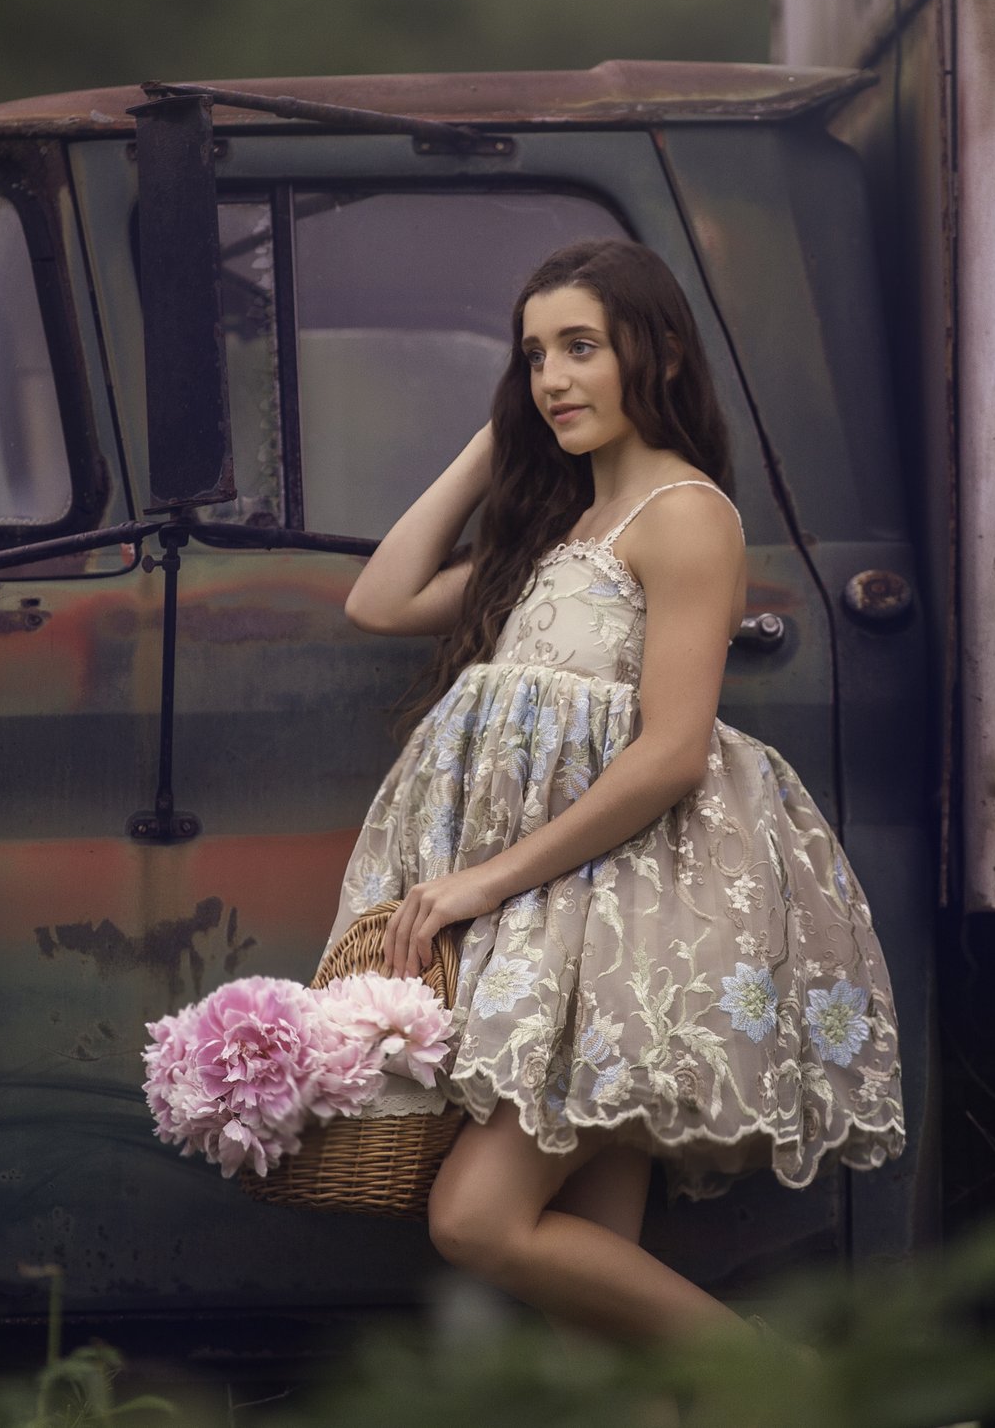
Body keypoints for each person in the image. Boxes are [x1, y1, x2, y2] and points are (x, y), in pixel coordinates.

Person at [332, 237, 904, 1345]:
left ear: (660, 354)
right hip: (562, 926)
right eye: (533, 354)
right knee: (603, 1301)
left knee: (477, 1218)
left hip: (635, 915)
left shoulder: (684, 514)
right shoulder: (556, 531)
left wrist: (476, 883)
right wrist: (497, 436)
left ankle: (781, 1391)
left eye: (580, 347)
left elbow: (671, 749)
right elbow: (381, 596)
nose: (552, 377)